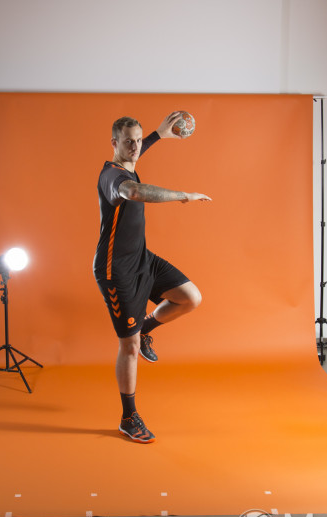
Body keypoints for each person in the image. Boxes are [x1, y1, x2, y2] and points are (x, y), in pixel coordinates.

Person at [93, 112, 211, 443]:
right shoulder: (111, 177)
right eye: (128, 141)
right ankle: (128, 417)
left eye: (138, 140)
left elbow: (136, 156)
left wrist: (159, 134)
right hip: (115, 271)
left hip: (142, 259)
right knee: (128, 347)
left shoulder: (128, 160)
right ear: (114, 143)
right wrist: (182, 195)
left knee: (191, 298)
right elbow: (134, 192)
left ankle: (146, 328)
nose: (134, 147)